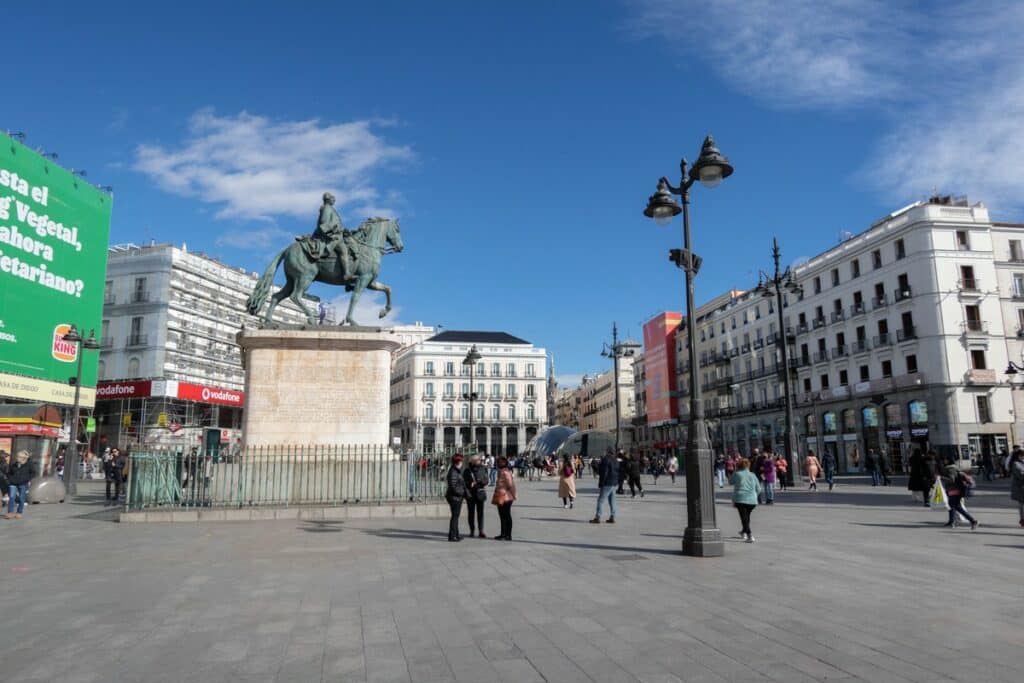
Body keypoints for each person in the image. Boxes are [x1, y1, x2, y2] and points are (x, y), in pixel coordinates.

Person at [940, 457, 978, 530]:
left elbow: (951, 479)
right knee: (951, 506)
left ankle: (973, 521)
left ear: (948, 460)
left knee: (957, 507)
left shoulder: (950, 469)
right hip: (954, 490)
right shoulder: (954, 468)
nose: (944, 461)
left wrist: (941, 477)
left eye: (945, 459)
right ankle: (951, 522)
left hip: (954, 490)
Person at [730, 458, 762, 543]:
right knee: (746, 517)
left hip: (740, 499)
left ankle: (749, 535)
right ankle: (743, 532)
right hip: (752, 500)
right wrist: (755, 496)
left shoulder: (737, 474)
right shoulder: (753, 475)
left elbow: (730, 482)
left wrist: (735, 471)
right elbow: (759, 489)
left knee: (744, 518)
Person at [491, 456, 516, 540]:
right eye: (498, 462)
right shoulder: (503, 471)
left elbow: (510, 484)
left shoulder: (505, 472)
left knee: (505, 515)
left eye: (499, 462)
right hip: (504, 496)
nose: (498, 464)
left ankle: (507, 535)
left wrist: (503, 489)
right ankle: (504, 534)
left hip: (505, 496)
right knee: (504, 516)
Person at [463, 455, 488, 538]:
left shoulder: (483, 468)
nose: (479, 461)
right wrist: (469, 483)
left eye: (479, 460)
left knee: (480, 513)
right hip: (470, 494)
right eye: (478, 460)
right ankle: (472, 530)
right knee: (471, 513)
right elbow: (464, 482)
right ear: (472, 461)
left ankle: (481, 531)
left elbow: (486, 480)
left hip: (480, 493)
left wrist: (479, 481)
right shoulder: (467, 470)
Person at [591, 450, 619, 524]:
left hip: (607, 483)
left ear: (607, 452)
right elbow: (617, 471)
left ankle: (598, 517)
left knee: (601, 500)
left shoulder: (606, 459)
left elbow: (604, 472)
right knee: (612, 500)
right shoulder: (615, 460)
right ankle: (612, 516)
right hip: (614, 483)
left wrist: (601, 483)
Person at [6, 450, 36, 519]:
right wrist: (11, 479)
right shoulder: (15, 464)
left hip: (23, 483)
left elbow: (33, 473)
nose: (17, 458)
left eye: (19, 457)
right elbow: (9, 472)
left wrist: (27, 479)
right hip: (13, 483)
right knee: (12, 497)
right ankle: (10, 512)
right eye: (17, 456)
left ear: (23, 458)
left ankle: (19, 512)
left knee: (21, 498)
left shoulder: (29, 464)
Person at [445, 454, 467, 542]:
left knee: (456, 516)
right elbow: (453, 486)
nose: (462, 463)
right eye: (461, 461)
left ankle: (456, 535)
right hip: (455, 497)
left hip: (456, 497)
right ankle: (452, 536)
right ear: (458, 462)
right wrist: (462, 493)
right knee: (455, 517)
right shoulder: (453, 472)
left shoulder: (456, 470)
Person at [1008, 449, 1024, 528]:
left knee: (1022, 505)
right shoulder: (1015, 464)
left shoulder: (1021, 463)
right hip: (1020, 488)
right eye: (1022, 456)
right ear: (1019, 456)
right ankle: (1022, 520)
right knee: (1022, 505)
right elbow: (1021, 475)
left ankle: (1022, 520)